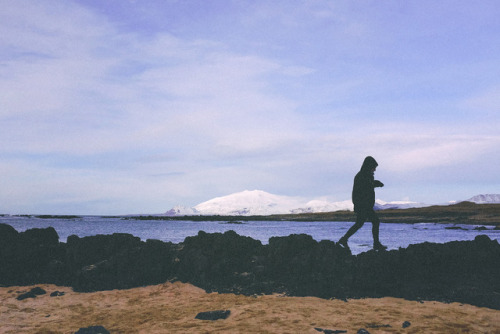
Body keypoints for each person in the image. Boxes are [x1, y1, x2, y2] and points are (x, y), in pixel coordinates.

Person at [338, 156, 387, 251]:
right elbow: (364, 188)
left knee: (359, 224)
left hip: (365, 206)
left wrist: (375, 183)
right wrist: (376, 184)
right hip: (363, 206)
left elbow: (369, 185)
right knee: (375, 221)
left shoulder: (366, 175)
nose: (375, 170)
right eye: (374, 167)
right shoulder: (361, 176)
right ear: (369, 166)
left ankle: (344, 239)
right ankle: (376, 244)